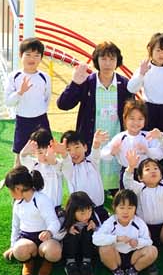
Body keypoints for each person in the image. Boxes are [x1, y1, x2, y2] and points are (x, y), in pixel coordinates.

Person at [55, 40, 130, 191]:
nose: (107, 63)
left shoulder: (124, 84)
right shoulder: (88, 82)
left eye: (112, 59)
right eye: (103, 58)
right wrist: (75, 83)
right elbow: (63, 104)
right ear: (96, 61)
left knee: (116, 176)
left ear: (117, 61)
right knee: (91, 179)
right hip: (91, 140)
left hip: (116, 140)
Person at [4, 36, 51, 158]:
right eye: (28, 54)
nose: (32, 59)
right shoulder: (14, 76)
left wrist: (39, 111)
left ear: (41, 57)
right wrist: (20, 92)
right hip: (23, 120)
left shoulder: (45, 77)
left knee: (45, 153)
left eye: (36, 55)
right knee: (20, 156)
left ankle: (45, 177)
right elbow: (8, 102)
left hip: (41, 120)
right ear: (20, 55)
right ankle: (17, 177)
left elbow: (46, 98)